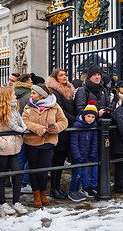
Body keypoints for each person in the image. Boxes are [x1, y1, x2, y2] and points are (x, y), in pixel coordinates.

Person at [22, 84, 68, 207]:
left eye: (33, 93)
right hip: (31, 142)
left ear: (41, 94)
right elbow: (25, 121)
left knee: (44, 170)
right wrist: (38, 129)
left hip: (48, 142)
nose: (31, 95)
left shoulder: (54, 106)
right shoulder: (28, 106)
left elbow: (64, 121)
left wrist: (52, 128)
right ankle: (36, 194)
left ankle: (43, 193)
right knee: (34, 170)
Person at [0, 87, 28, 215]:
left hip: (13, 149)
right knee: (0, 177)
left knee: (18, 174)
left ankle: (16, 201)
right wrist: (4, 144)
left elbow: (19, 127)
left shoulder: (14, 110)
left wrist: (15, 142)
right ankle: (2, 203)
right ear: (7, 96)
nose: (15, 95)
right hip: (0, 150)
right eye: (13, 94)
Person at [74, 63, 111, 195]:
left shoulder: (103, 90)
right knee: (85, 157)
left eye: (99, 75)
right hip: (86, 128)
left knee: (96, 157)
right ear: (89, 77)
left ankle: (94, 183)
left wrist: (107, 110)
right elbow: (79, 108)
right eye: (95, 75)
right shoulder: (82, 91)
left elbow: (108, 104)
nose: (97, 77)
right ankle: (86, 185)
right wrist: (95, 113)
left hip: (100, 128)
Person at [45, 68, 75, 199]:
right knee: (57, 160)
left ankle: (57, 186)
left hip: (67, 129)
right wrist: (75, 119)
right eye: (61, 75)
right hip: (60, 130)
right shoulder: (55, 92)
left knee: (61, 160)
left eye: (65, 75)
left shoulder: (68, 90)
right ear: (55, 78)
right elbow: (60, 110)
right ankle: (54, 188)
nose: (64, 77)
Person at [68, 100, 98, 202]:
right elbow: (74, 142)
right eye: (88, 116)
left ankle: (77, 190)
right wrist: (76, 155)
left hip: (86, 154)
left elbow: (95, 141)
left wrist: (93, 153)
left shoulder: (94, 126)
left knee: (81, 174)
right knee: (77, 173)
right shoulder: (77, 125)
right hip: (78, 155)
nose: (90, 119)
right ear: (84, 115)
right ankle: (72, 191)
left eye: (93, 117)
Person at [14, 73, 34, 193]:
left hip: (17, 130)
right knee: (28, 158)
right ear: (26, 82)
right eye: (30, 82)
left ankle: (18, 181)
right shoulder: (29, 96)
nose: (32, 83)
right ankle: (24, 182)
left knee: (20, 158)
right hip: (27, 130)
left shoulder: (14, 92)